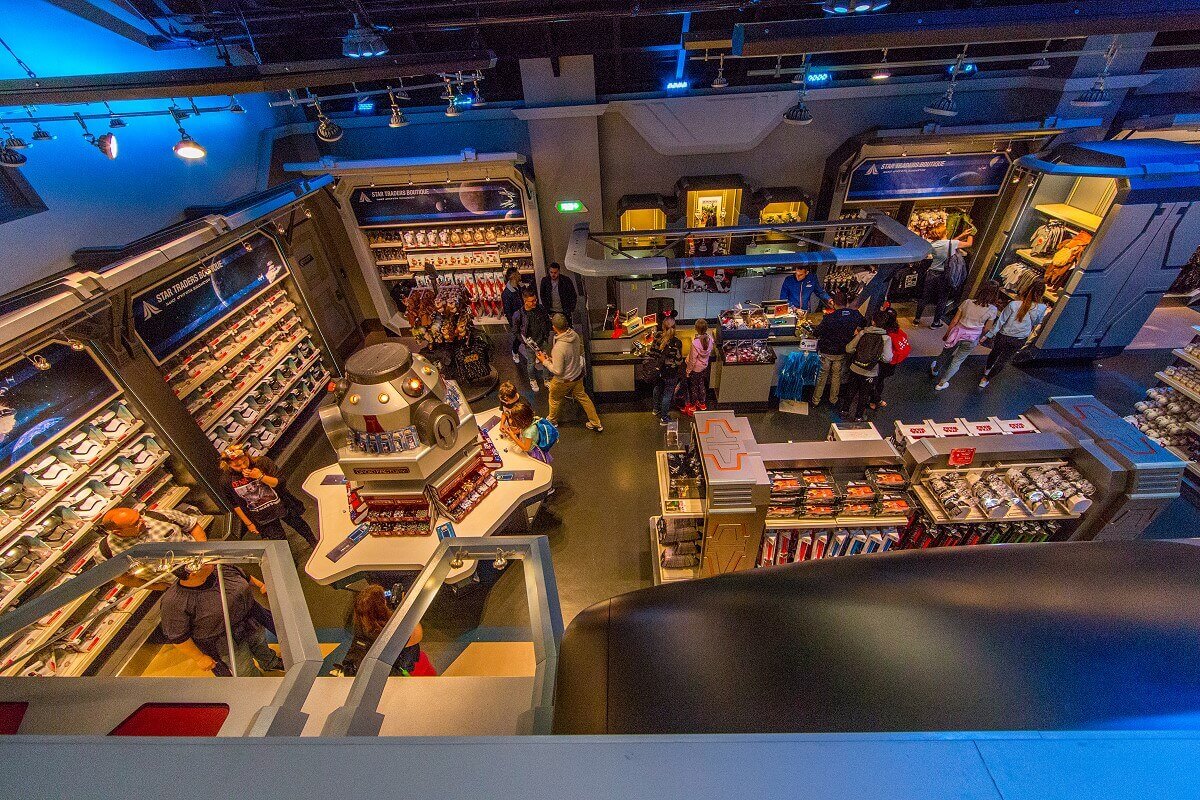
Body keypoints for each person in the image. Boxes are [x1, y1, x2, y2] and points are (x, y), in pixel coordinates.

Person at [159, 562, 283, 677]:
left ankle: (270, 663)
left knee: (260, 644)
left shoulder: (221, 568)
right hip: (223, 641)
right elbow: (178, 636)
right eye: (204, 561)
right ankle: (257, 684)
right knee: (243, 667)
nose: (210, 559)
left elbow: (244, 575)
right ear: (193, 572)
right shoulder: (174, 602)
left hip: (250, 621)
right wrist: (199, 658)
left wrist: (260, 585)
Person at [219, 445, 317, 547]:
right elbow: (235, 504)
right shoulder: (226, 481)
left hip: (281, 504)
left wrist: (260, 476)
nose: (243, 466)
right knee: (279, 541)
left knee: (300, 525)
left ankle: (314, 543)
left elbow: (280, 482)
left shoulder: (262, 463)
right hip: (261, 516)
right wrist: (249, 523)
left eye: (244, 461)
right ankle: (287, 559)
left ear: (247, 456)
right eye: (237, 466)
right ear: (229, 464)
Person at [96, 506, 207, 588]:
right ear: (118, 532)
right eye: (135, 523)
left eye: (139, 516)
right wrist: (155, 586)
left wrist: (205, 551)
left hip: (208, 566)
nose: (142, 521)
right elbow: (121, 577)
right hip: (180, 585)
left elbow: (192, 526)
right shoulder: (106, 552)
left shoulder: (161, 515)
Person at [341, 584, 435, 677]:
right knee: (423, 661)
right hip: (396, 673)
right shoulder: (387, 634)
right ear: (381, 608)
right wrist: (403, 607)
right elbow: (417, 635)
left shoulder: (362, 625)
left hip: (366, 668)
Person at [538, 313, 603, 432]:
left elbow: (558, 371)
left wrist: (545, 361)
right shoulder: (575, 336)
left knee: (554, 399)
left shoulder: (559, 347)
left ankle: (552, 420)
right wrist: (553, 359)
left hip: (563, 380)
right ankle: (596, 422)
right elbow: (571, 356)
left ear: (554, 327)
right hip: (577, 376)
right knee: (583, 397)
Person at [979, 280, 1048, 389]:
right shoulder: (1042, 308)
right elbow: (1036, 322)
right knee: (1003, 360)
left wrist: (988, 335)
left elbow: (1001, 321)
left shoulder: (1014, 304)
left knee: (995, 352)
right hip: (1020, 338)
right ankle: (985, 379)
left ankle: (987, 368)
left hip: (1004, 335)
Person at [932, 281, 1000, 391]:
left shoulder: (967, 302)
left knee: (945, 353)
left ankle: (935, 370)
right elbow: (987, 328)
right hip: (972, 338)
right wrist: (979, 336)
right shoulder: (992, 309)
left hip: (957, 333)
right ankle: (942, 383)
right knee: (958, 360)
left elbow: (954, 321)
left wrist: (947, 333)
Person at [811, 290, 864, 407]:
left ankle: (816, 400)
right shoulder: (855, 315)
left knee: (822, 377)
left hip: (826, 352)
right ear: (847, 302)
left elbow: (816, 333)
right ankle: (833, 400)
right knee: (836, 376)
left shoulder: (829, 318)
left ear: (833, 303)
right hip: (841, 352)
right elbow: (864, 323)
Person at [914, 225, 974, 329]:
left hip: (932, 273)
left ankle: (917, 319)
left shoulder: (932, 245)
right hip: (945, 275)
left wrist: (961, 235)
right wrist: (971, 234)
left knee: (924, 297)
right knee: (942, 299)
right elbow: (968, 243)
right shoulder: (951, 244)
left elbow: (949, 243)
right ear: (944, 233)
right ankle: (936, 322)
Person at [840, 308, 893, 423]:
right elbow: (888, 358)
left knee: (851, 390)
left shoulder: (864, 332)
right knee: (864, 394)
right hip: (870, 371)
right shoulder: (886, 338)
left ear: (873, 321)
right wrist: (876, 357)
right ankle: (858, 416)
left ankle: (844, 411)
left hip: (855, 367)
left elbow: (849, 348)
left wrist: (858, 352)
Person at [511, 289, 552, 392]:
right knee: (531, 363)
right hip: (530, 344)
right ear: (525, 301)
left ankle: (546, 379)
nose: (535, 302)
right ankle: (532, 380)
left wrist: (546, 334)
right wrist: (524, 341)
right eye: (532, 301)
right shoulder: (519, 314)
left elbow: (546, 321)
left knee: (546, 360)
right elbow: (515, 331)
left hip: (542, 340)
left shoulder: (540, 308)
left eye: (535, 300)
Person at [648, 317, 684, 425]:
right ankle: (664, 418)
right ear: (675, 328)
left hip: (659, 371)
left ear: (663, 326)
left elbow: (652, 353)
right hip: (670, 373)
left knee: (658, 388)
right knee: (667, 394)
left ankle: (656, 409)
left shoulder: (657, 336)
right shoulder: (677, 343)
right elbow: (678, 361)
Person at [873, 308, 906, 409]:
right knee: (880, 381)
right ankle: (876, 400)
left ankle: (875, 400)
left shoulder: (884, 334)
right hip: (892, 363)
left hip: (882, 362)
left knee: (874, 381)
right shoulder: (898, 331)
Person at [682, 318, 714, 415]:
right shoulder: (710, 339)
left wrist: (688, 371)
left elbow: (692, 359)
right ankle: (702, 404)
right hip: (704, 367)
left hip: (695, 369)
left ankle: (693, 405)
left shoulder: (695, 343)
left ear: (696, 328)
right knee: (701, 384)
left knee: (694, 387)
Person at [501, 267, 524, 363]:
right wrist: (513, 324)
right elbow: (508, 311)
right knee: (519, 338)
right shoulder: (506, 294)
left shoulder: (519, 288)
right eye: (518, 273)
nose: (520, 274)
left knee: (529, 335)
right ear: (513, 276)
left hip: (524, 316)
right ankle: (515, 351)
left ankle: (533, 353)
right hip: (516, 320)